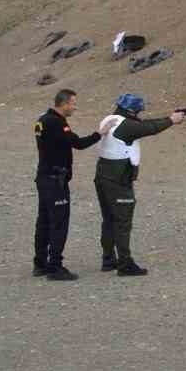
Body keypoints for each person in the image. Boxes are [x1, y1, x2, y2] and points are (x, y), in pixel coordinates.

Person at [93, 94, 185, 277]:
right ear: (131, 111)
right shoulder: (126, 126)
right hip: (118, 179)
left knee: (109, 219)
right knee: (123, 222)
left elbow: (143, 125)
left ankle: (108, 259)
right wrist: (171, 121)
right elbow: (149, 128)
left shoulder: (111, 119)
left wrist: (169, 118)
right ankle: (125, 264)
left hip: (103, 175)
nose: (139, 115)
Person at [33, 88, 107, 281]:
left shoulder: (42, 120)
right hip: (55, 181)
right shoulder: (56, 122)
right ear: (64, 103)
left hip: (44, 178)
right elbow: (78, 143)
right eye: (73, 103)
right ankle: (55, 267)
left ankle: (40, 264)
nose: (75, 107)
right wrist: (99, 134)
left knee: (44, 221)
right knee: (58, 223)